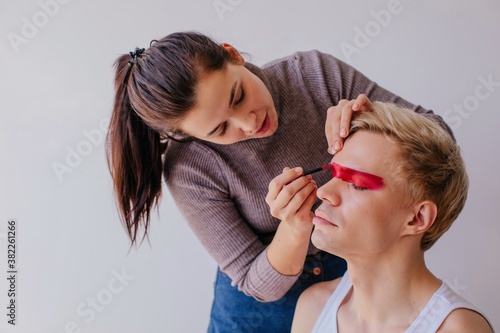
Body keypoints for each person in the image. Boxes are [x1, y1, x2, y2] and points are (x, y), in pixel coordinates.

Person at [105, 31, 452, 332]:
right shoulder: (190, 169)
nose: (249, 122)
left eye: (238, 96)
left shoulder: (314, 74)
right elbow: (257, 284)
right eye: (219, 129)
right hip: (258, 310)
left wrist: (375, 120)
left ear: (233, 55)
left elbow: (441, 140)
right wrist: (293, 228)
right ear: (188, 136)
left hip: (349, 273)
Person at [291, 102, 494, 333]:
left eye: (357, 184)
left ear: (417, 218)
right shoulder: (313, 308)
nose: (323, 192)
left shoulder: (456, 329)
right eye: (333, 174)